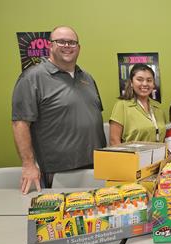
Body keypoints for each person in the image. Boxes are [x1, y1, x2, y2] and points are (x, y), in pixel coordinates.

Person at [12, 26, 106, 194]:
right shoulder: (32, 78)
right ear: (50, 46)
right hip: (59, 172)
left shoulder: (87, 78)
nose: (67, 46)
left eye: (72, 42)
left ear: (79, 48)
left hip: (96, 167)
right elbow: (20, 123)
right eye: (61, 41)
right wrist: (28, 165)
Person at [109, 64, 167, 145]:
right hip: (132, 157)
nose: (145, 84)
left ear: (153, 84)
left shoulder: (158, 107)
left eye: (149, 80)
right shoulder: (122, 106)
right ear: (131, 83)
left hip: (159, 156)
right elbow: (114, 140)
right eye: (140, 79)